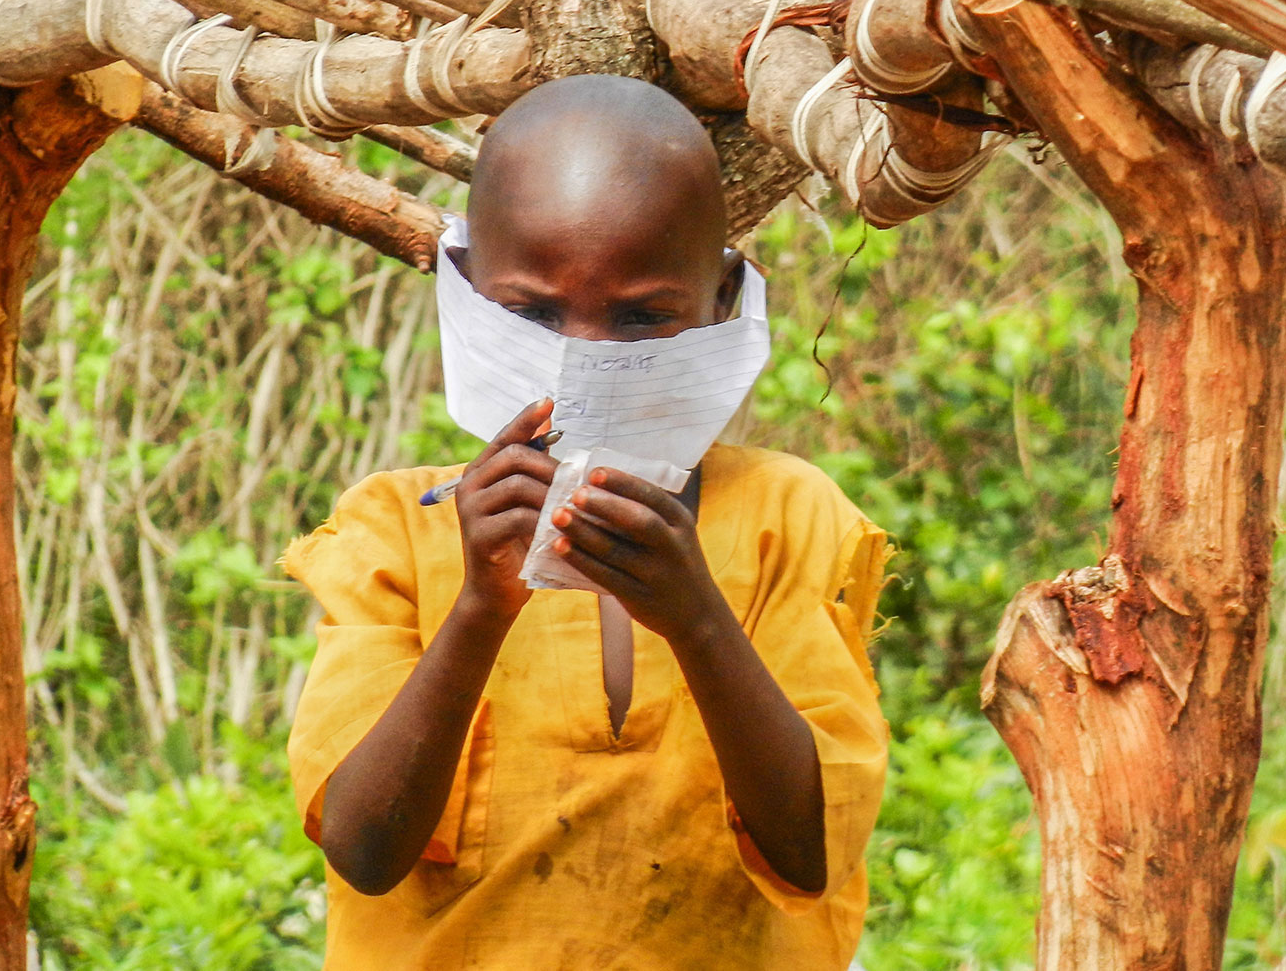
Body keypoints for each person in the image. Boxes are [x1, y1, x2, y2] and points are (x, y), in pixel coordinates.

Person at [283, 74, 890, 970]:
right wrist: (480, 606)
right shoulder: (394, 532)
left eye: (643, 318)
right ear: (467, 294)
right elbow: (365, 851)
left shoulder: (788, 518)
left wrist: (696, 618)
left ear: (721, 302)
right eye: (532, 314)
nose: (586, 359)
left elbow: (813, 851)